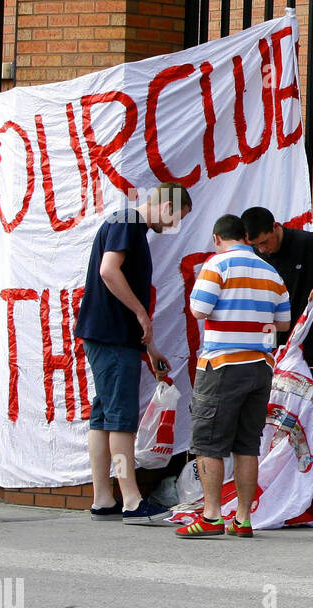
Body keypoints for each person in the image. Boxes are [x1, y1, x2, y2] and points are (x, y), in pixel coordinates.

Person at [75, 182, 191, 524]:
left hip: (110, 334)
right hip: (112, 335)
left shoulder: (126, 224)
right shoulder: (127, 223)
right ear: (167, 206)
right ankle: (130, 498)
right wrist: (141, 314)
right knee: (120, 419)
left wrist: (149, 345)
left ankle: (103, 498)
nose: (173, 227)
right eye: (177, 218)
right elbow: (108, 270)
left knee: (104, 416)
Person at [175, 214, 290, 539]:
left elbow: (198, 309)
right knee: (247, 445)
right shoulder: (270, 271)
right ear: (246, 237)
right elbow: (282, 323)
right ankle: (242, 518)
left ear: (217, 239)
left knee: (209, 443)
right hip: (260, 368)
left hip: (221, 365)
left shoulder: (217, 265)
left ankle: (211, 516)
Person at [240, 207, 313, 398]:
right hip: (269, 343)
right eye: (256, 245)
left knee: (305, 408)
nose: (262, 249)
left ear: (275, 227)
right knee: (268, 410)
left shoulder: (307, 243)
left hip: (308, 342)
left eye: (264, 242)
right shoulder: (254, 254)